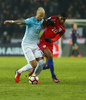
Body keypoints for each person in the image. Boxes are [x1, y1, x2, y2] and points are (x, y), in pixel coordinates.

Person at [4, 7, 47, 83]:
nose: (41, 18)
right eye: (40, 16)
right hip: (26, 45)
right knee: (33, 65)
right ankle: (18, 72)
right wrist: (12, 21)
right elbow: (21, 22)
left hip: (35, 45)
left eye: (42, 16)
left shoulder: (42, 21)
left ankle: (34, 77)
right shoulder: (31, 20)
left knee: (42, 63)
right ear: (36, 14)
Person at [29, 12, 67, 83]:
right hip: (43, 41)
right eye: (62, 19)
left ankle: (35, 69)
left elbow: (57, 37)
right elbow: (43, 23)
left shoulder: (62, 29)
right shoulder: (53, 18)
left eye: (64, 20)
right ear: (59, 17)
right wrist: (47, 21)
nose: (62, 21)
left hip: (50, 43)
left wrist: (51, 40)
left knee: (47, 66)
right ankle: (53, 76)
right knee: (50, 55)